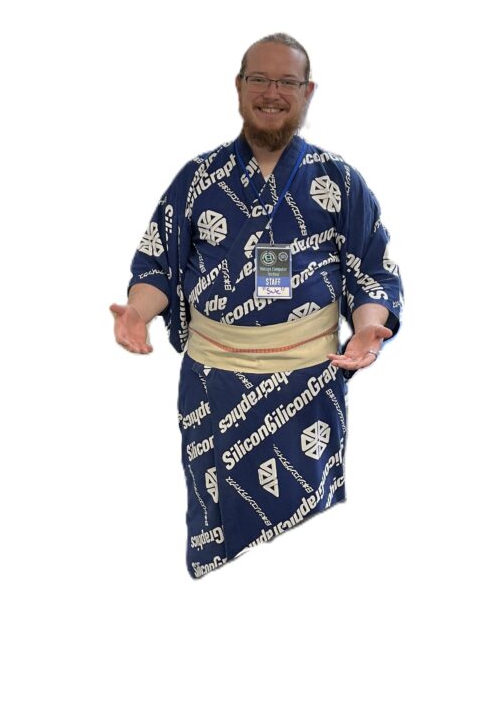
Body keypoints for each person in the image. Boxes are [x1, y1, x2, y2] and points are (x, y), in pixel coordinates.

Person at [110, 33, 403, 579]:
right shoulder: (197, 178)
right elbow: (158, 267)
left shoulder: (339, 181)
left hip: (306, 385)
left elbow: (373, 273)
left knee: (308, 544)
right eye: (260, 79)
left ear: (308, 91)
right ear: (239, 87)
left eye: (287, 81)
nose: (272, 92)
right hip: (214, 386)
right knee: (222, 535)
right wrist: (137, 313)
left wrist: (368, 328)